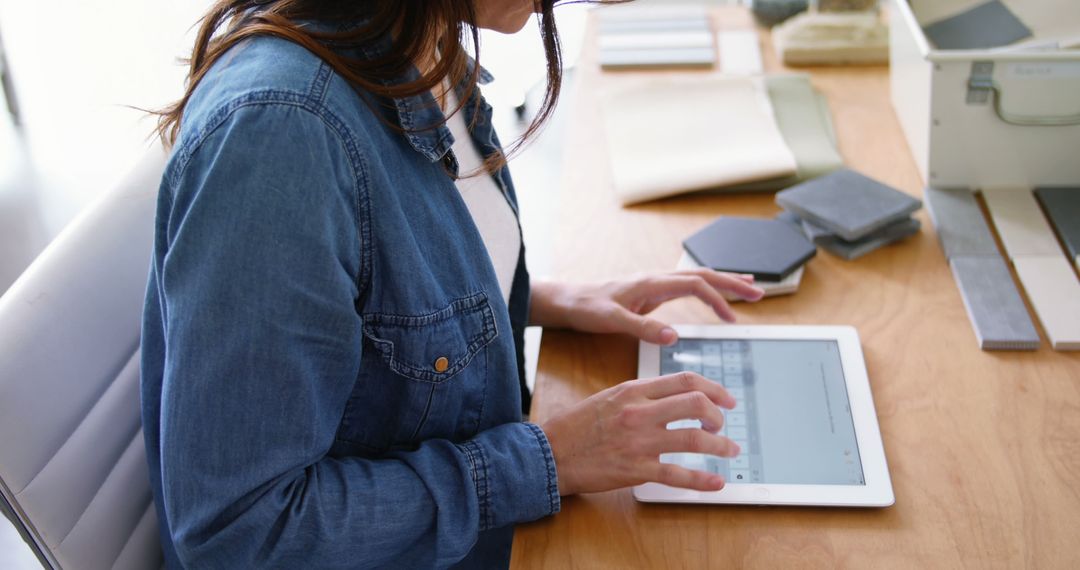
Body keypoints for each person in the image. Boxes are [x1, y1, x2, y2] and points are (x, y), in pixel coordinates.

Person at [142, 1, 765, 568]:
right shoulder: (280, 136)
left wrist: (542, 299)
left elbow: (379, 297)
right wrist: (550, 459)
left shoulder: (424, 50)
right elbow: (242, 535)